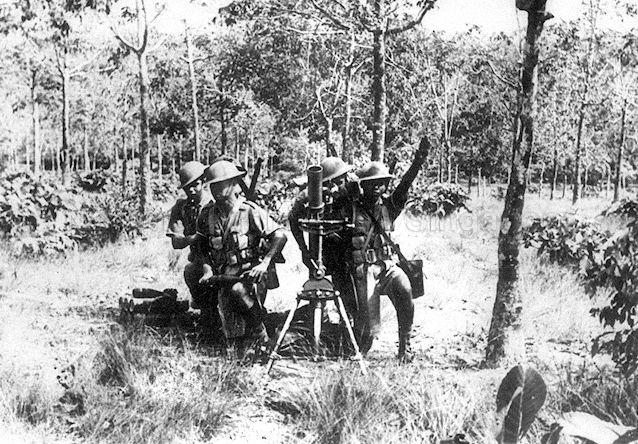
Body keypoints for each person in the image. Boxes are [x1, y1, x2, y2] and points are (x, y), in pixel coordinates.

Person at [348, 136, 430, 362]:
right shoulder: (350, 209)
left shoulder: (388, 207)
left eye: (382, 183)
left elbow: (404, 186)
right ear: (362, 185)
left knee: (405, 291)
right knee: (368, 315)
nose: (378, 187)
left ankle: (406, 345)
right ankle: (363, 347)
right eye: (372, 183)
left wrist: (417, 162)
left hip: (387, 266)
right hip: (364, 269)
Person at [196, 159, 287, 355]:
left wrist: (264, 263)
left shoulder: (250, 211)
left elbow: (280, 235)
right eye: (212, 186)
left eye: (220, 184)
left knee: (238, 291)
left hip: (251, 276)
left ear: (232, 184)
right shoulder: (207, 215)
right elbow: (200, 243)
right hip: (223, 276)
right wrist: (206, 267)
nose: (215, 190)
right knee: (235, 346)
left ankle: (261, 332)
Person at [166, 161, 220, 329]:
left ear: (203, 182)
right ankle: (209, 317)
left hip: (222, 257)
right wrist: (194, 238)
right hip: (199, 259)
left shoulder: (216, 203)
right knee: (191, 271)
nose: (191, 190)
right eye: (186, 187)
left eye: (195, 185)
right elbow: (176, 242)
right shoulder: (182, 208)